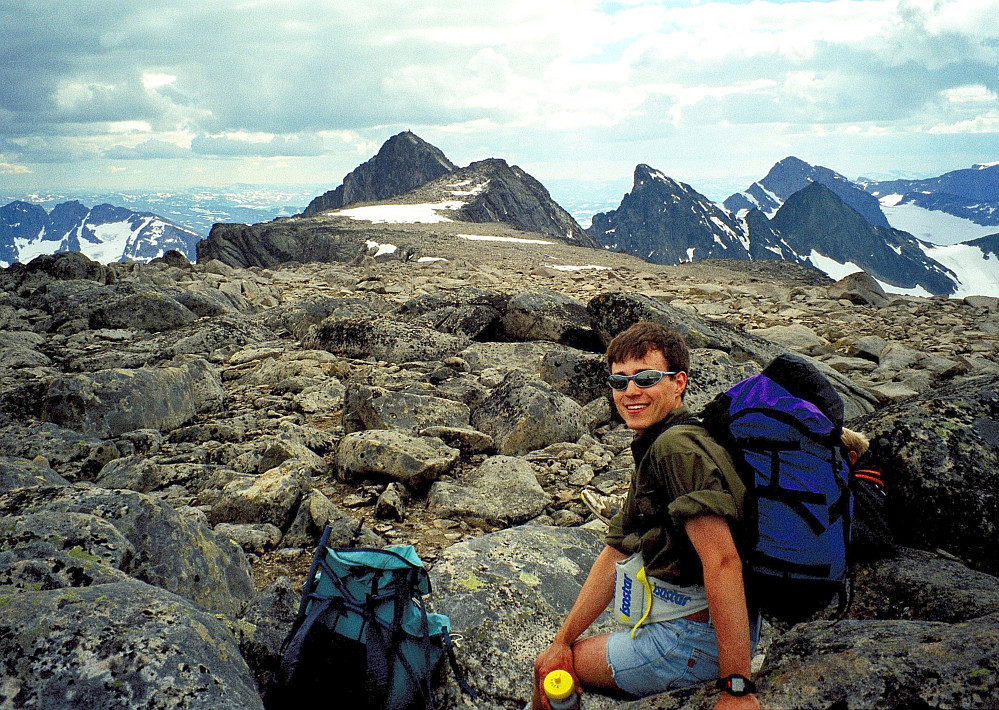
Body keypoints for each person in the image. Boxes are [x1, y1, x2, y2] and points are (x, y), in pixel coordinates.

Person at [533, 322, 759, 710]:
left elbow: (722, 561)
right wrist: (561, 641)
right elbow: (617, 549)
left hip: (690, 641)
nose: (630, 392)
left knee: (554, 679)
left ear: (679, 382)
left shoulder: (676, 449)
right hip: (686, 628)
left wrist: (737, 688)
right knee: (556, 661)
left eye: (646, 378)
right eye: (619, 382)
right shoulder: (657, 442)